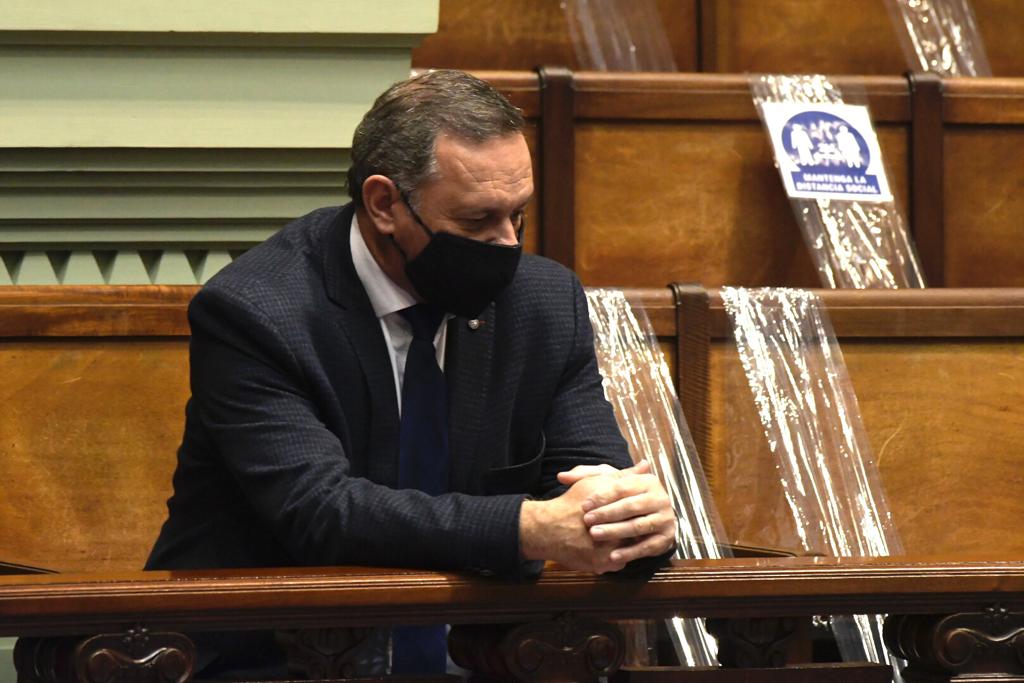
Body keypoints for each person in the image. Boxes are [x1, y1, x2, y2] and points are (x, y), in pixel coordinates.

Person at [146, 69, 676, 676]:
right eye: (477, 221)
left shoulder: (542, 304)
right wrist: (527, 527)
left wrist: (634, 520)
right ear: (384, 204)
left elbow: (589, 482)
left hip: (485, 659)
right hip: (272, 660)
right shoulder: (258, 313)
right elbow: (321, 512)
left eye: (518, 215)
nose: (507, 245)